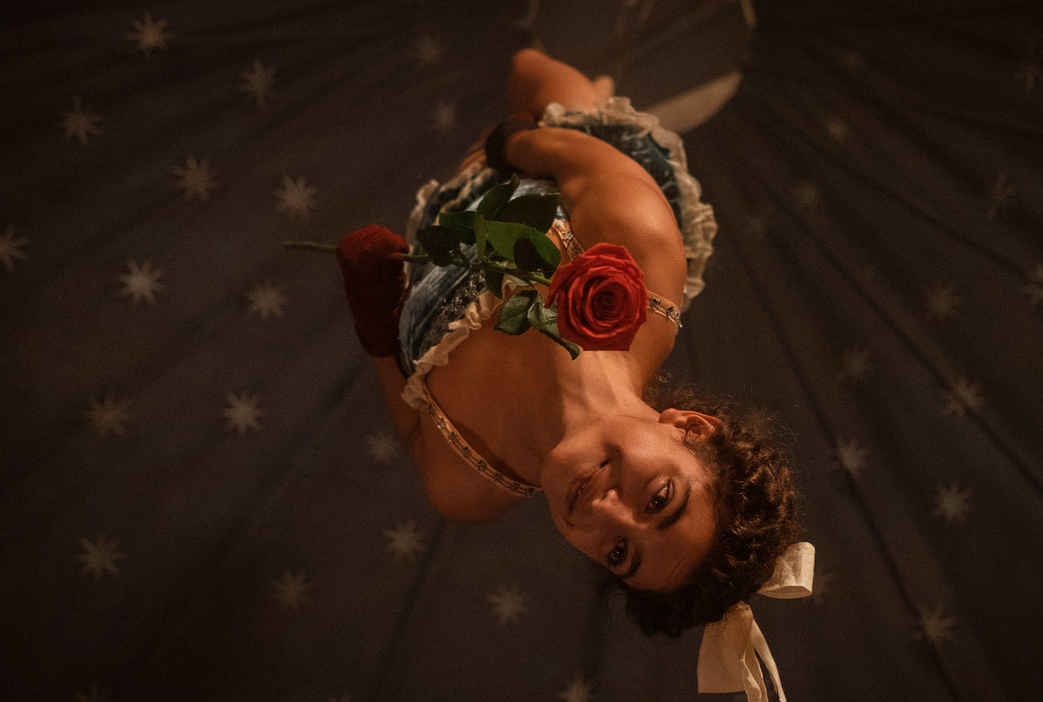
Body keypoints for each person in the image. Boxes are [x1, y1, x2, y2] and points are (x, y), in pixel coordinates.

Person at [339, 49, 807, 646]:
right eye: (658, 499)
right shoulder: (640, 249)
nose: (604, 512)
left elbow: (414, 430)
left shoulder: (467, 485)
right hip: (557, 148)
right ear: (691, 427)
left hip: (443, 215)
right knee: (527, 67)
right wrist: (511, 142)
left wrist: (377, 324)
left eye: (619, 552)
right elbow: (577, 158)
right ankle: (599, 82)